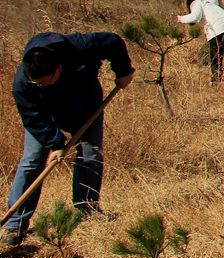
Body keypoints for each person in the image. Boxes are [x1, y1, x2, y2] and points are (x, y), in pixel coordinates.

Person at [4, 32, 134, 246]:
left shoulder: (81, 47)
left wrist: (123, 71)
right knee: (33, 160)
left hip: (86, 109)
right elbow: (32, 116)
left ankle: (87, 209)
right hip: (46, 118)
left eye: (45, 82)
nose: (41, 86)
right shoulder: (24, 83)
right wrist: (54, 143)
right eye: (37, 84)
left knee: (90, 156)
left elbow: (114, 42)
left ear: (59, 68)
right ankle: (14, 224)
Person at [180, 0, 224, 83]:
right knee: (217, 55)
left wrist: (181, 18)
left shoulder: (197, 3)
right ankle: (217, 78)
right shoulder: (210, 5)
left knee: (214, 56)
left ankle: (215, 81)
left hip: (220, 30)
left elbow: (195, 16)